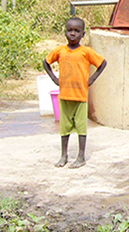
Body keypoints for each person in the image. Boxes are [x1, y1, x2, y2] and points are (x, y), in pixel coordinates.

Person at [44, 17, 107, 169]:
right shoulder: (60, 51)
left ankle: (81, 156)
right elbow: (46, 62)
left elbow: (102, 63)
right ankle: (64, 155)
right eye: (69, 30)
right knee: (64, 128)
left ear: (83, 34)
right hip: (65, 96)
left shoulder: (86, 52)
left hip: (80, 97)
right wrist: (54, 78)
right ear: (65, 32)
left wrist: (91, 79)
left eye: (77, 31)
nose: (73, 34)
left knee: (81, 128)